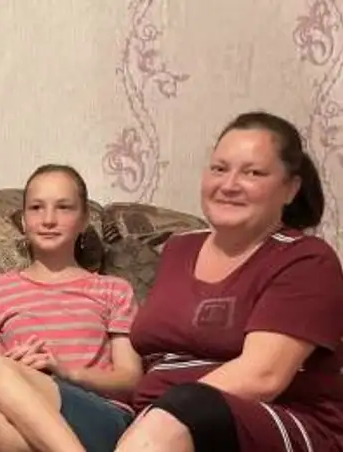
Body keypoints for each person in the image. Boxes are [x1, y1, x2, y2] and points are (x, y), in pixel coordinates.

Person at [114, 111, 343, 452]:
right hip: (155, 418)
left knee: (183, 411)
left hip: (272, 420)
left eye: (253, 173)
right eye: (220, 169)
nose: (229, 184)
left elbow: (262, 377)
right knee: (29, 399)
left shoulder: (306, 259)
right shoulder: (179, 248)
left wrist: (159, 414)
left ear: (290, 189)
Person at [0, 164, 142, 452]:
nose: (48, 219)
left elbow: (131, 379)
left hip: (99, 415)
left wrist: (68, 372)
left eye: (63, 207)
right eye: (36, 208)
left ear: (84, 220)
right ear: (24, 220)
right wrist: (14, 367)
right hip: (26, 420)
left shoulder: (114, 289)